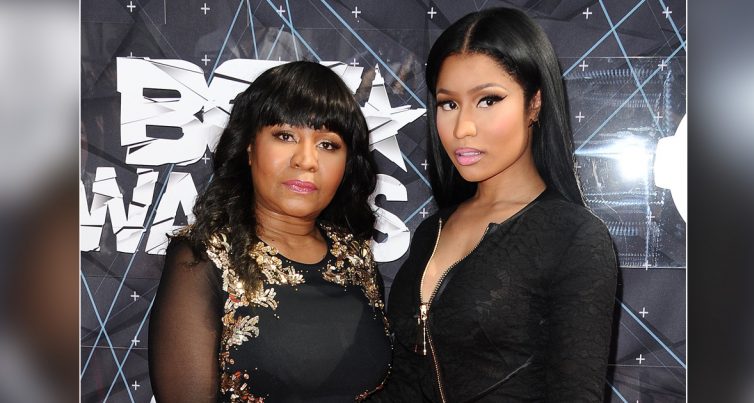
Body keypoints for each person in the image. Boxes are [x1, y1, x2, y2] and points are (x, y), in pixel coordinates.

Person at [372, 7, 617, 402]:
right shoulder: (431, 230)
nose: (462, 127)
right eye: (448, 104)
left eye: (488, 100)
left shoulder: (574, 237)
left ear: (534, 103)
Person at [148, 61, 391, 402]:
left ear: (347, 163)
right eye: (285, 136)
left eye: (328, 144)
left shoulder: (357, 256)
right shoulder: (203, 257)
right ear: (249, 146)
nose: (306, 160)